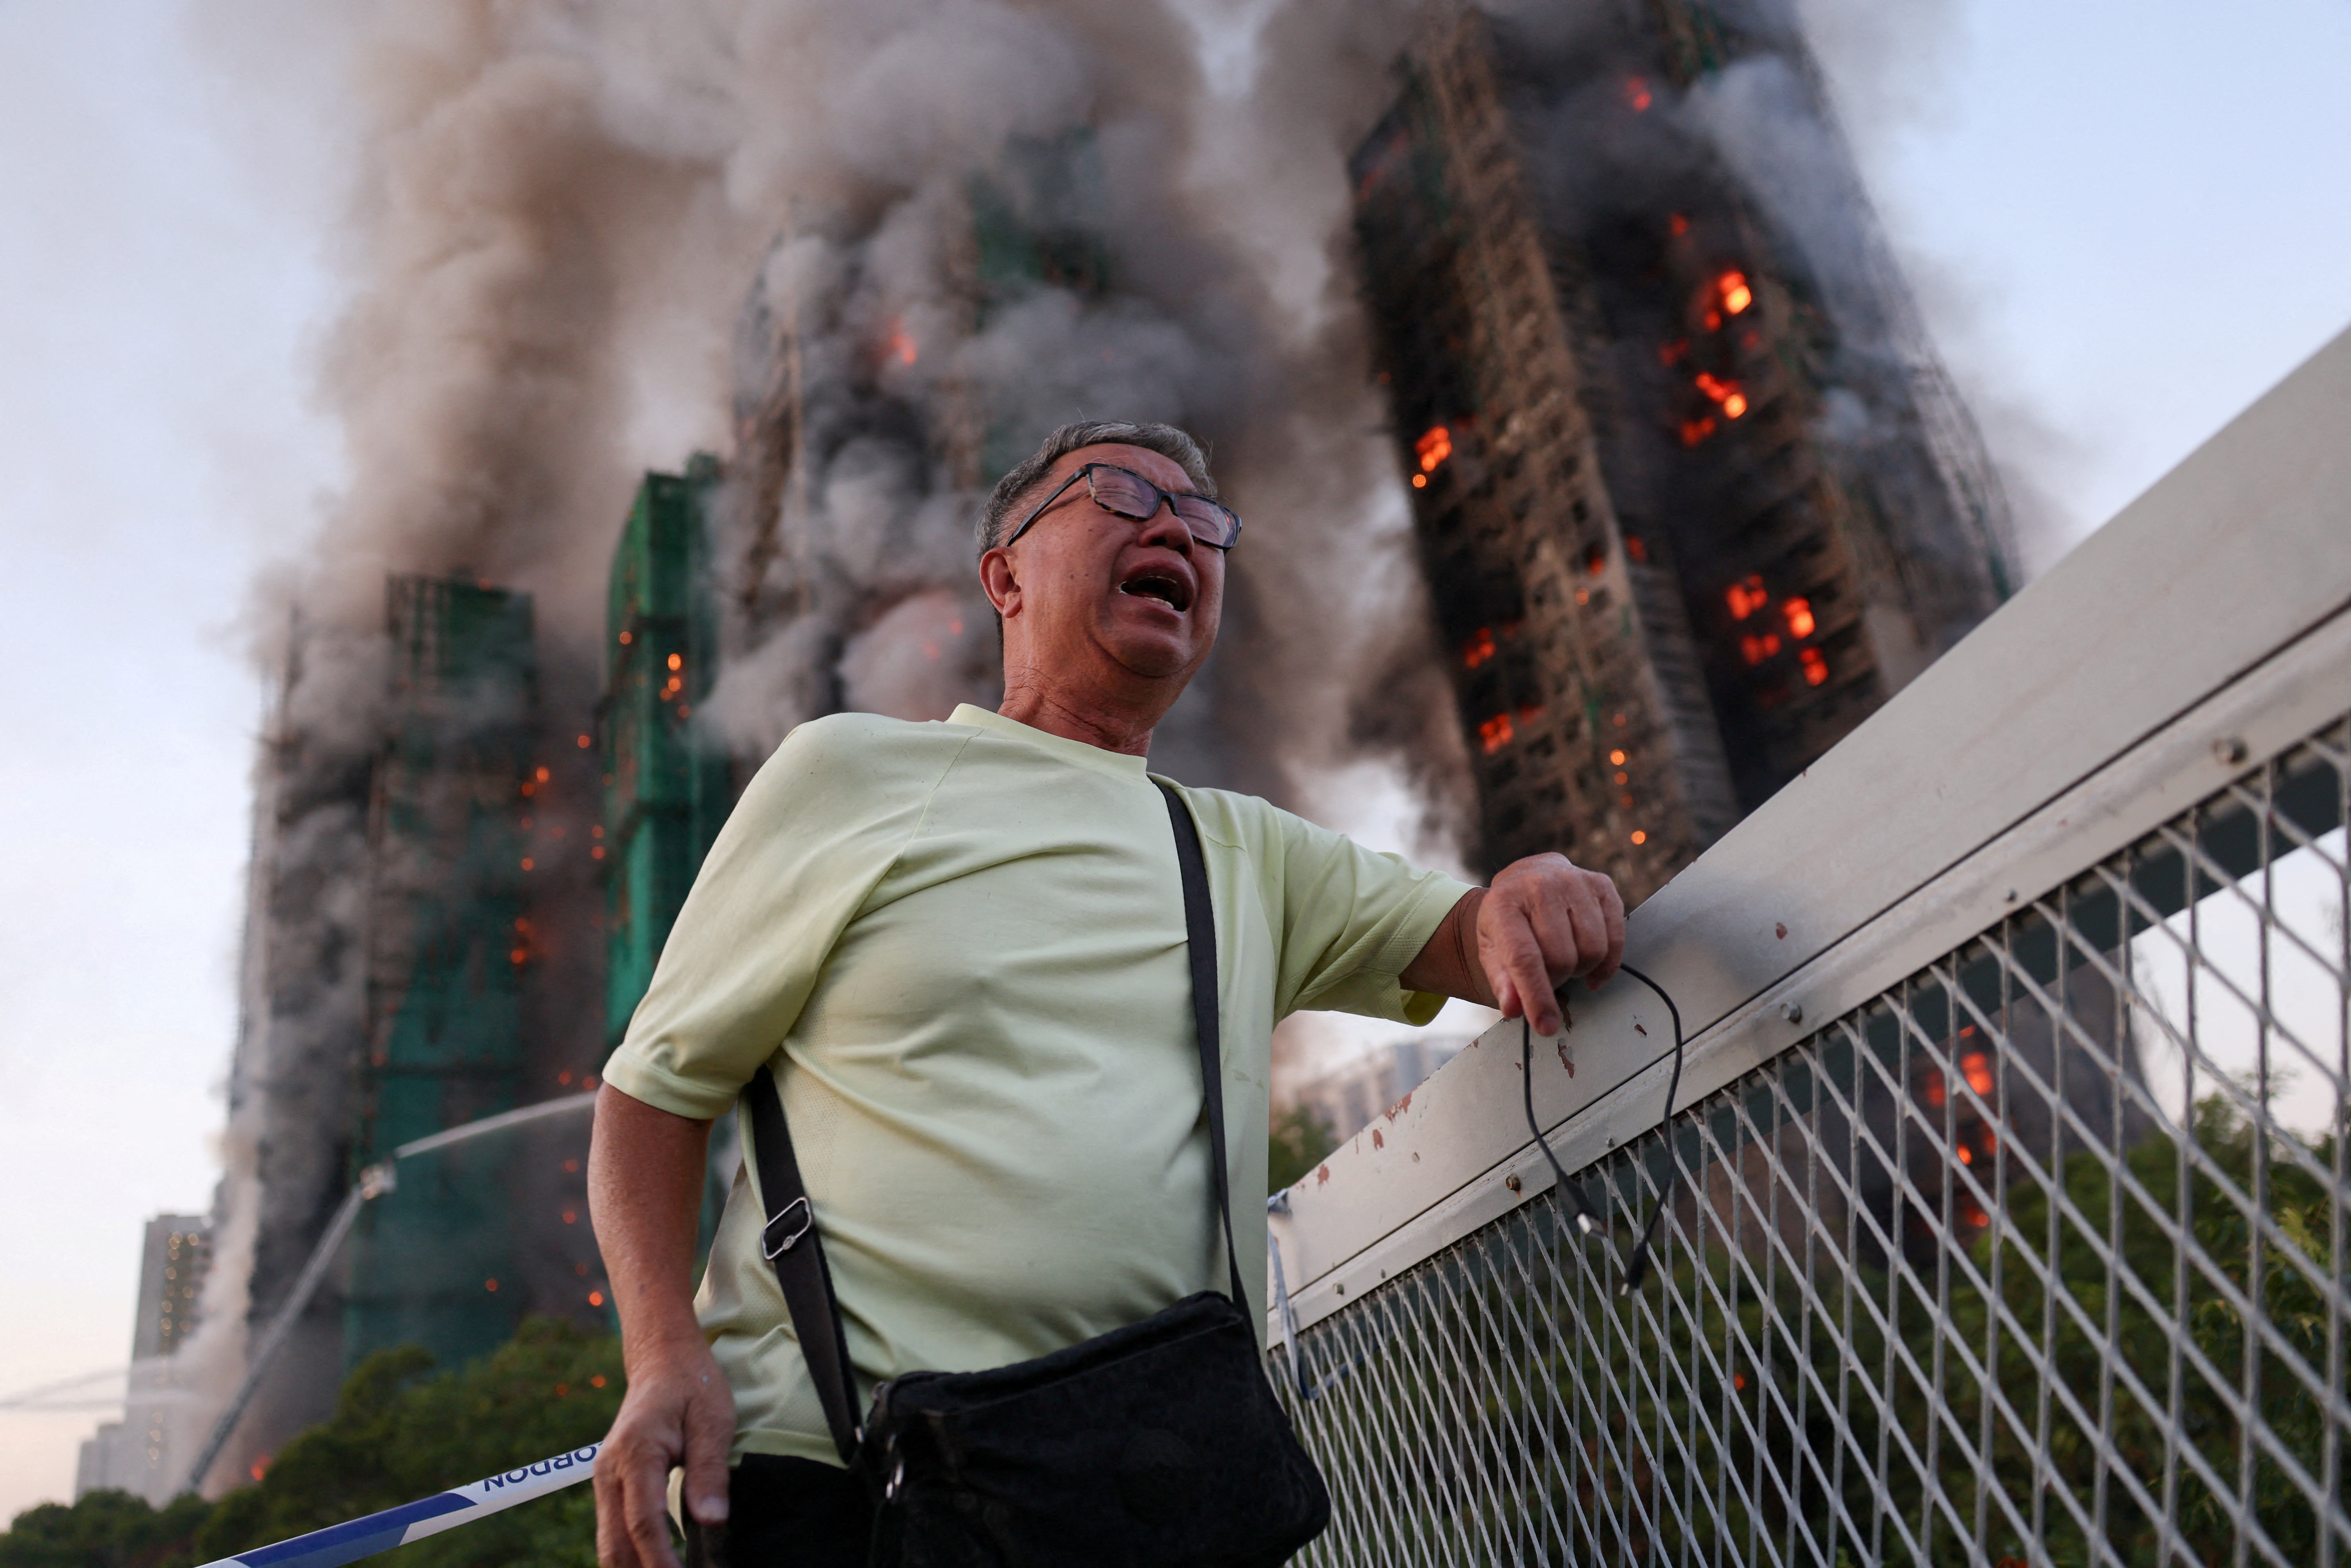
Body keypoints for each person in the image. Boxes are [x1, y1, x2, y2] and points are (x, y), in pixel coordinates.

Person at [588, 420, 1625, 1567]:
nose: (1174, 524)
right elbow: (652, 1093)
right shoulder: (850, 774)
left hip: (1151, 1494)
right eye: (1121, 495)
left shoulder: (1243, 850)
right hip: (848, 1481)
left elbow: (1465, 933)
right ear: (1005, 576)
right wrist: (659, 1354)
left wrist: (1528, 891)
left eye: (1203, 520)